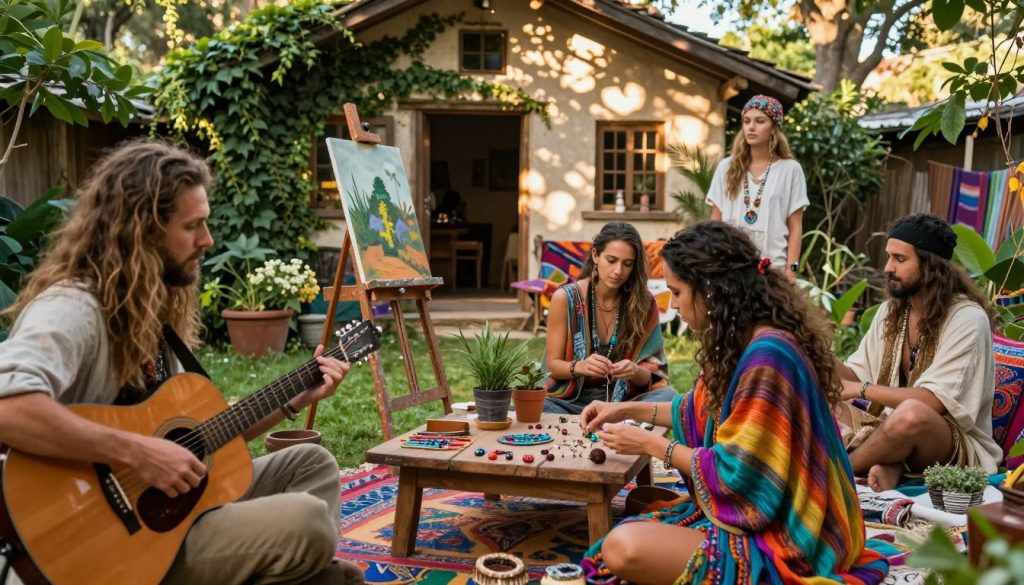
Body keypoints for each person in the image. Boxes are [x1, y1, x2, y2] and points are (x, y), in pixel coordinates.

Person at [0, 140, 364, 585]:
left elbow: (195, 441)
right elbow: (8, 408)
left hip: (172, 514)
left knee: (309, 463)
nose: (207, 240)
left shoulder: (151, 311)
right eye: (193, 226)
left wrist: (294, 400)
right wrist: (138, 452)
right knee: (306, 520)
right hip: (107, 545)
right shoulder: (74, 306)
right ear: (145, 231)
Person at [578, 221, 891, 585]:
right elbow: (695, 411)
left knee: (622, 547)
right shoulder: (741, 340)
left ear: (712, 291)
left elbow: (742, 476)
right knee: (639, 504)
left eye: (678, 292)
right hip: (771, 514)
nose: (673, 303)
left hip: (794, 533)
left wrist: (651, 445)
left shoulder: (767, 357)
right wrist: (625, 409)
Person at [836, 213, 1001, 492]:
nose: (888, 267)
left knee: (912, 414)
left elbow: (932, 403)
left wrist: (860, 389)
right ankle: (891, 462)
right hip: (888, 427)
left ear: (930, 265)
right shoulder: (892, 311)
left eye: (900, 259)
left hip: (948, 443)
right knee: (812, 391)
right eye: (889, 257)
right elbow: (856, 372)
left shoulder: (967, 319)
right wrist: (809, 349)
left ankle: (839, 471)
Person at [543, 221, 676, 414]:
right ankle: (620, 424)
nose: (618, 271)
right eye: (611, 260)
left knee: (668, 397)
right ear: (596, 255)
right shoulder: (566, 298)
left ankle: (617, 417)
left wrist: (634, 371)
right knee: (540, 404)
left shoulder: (643, 303)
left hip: (622, 402)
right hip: (571, 401)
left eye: (627, 264)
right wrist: (580, 366)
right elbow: (553, 367)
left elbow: (651, 376)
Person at [706, 94, 808, 279]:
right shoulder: (726, 168)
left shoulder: (790, 170)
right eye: (746, 121)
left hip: (773, 270)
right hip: (730, 268)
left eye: (760, 121)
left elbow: (795, 227)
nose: (751, 127)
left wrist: (791, 270)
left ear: (774, 128)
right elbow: (715, 222)